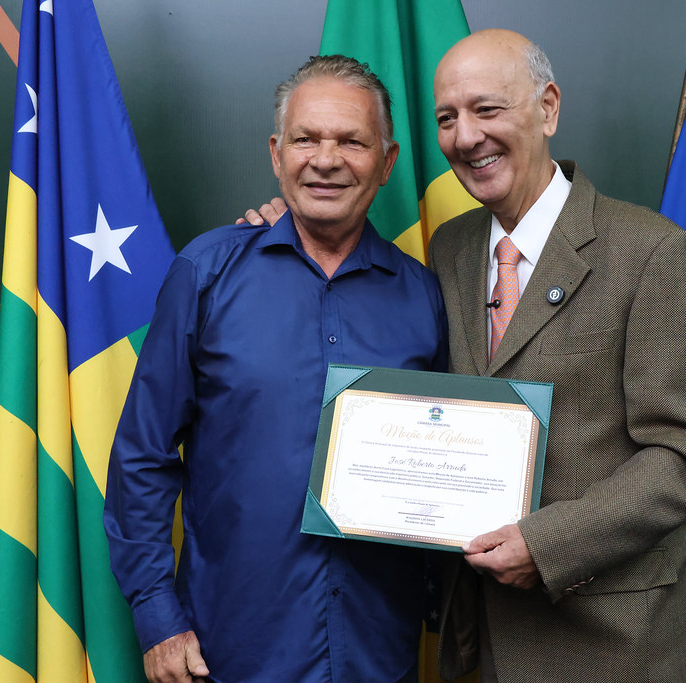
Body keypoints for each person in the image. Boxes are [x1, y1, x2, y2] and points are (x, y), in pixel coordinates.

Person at [246, 29, 686, 682]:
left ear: (547, 108)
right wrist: (285, 227)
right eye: (446, 118)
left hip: (619, 643)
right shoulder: (451, 248)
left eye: (487, 109)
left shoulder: (652, 252)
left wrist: (548, 544)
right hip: (483, 639)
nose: (466, 136)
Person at [105, 54, 448, 683]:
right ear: (276, 154)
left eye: (352, 141)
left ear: (387, 161)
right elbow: (142, 455)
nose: (326, 159)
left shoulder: (424, 295)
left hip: (379, 651)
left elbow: (445, 460)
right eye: (305, 139)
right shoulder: (205, 274)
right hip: (231, 651)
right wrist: (157, 615)